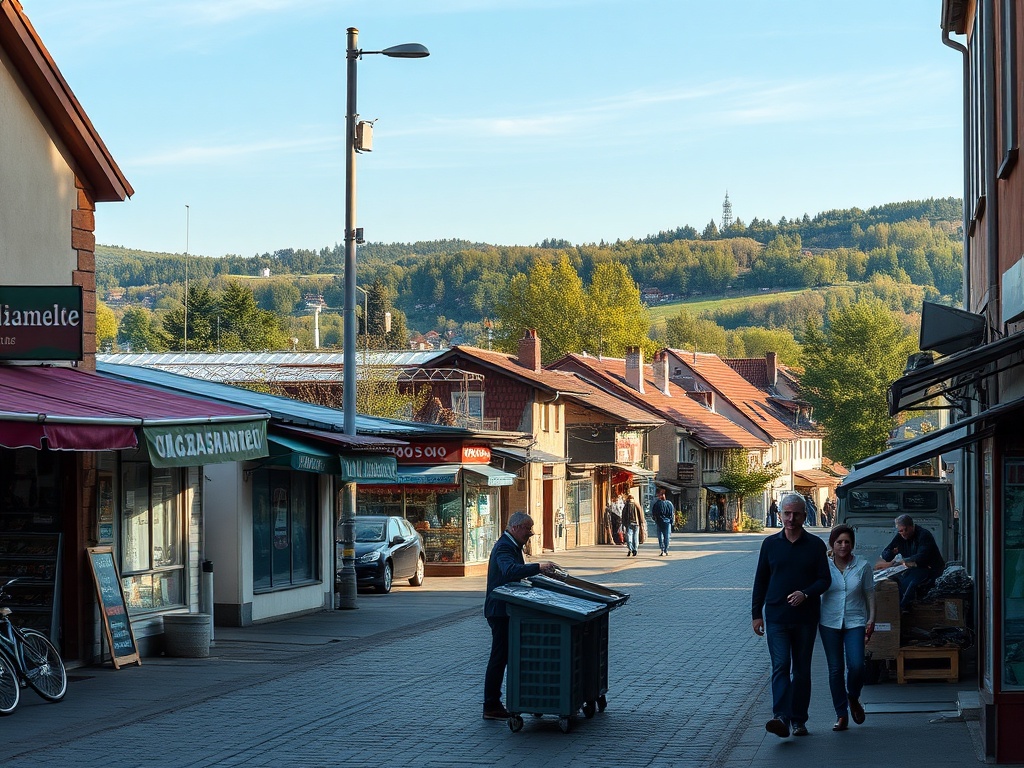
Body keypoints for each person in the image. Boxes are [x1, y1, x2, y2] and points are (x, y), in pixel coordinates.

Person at [751, 492, 831, 738]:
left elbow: (824, 580)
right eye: (787, 513)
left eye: (796, 514)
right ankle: (781, 717)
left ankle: (799, 720)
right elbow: (761, 580)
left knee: (802, 670)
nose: (791, 518)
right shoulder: (770, 544)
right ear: (780, 514)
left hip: (805, 619)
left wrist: (805, 594)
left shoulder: (815, 545)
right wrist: (756, 614)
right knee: (781, 666)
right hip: (776, 616)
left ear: (804, 516)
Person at [483, 512, 558, 720]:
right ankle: (491, 704)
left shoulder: (512, 545)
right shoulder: (505, 546)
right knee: (499, 658)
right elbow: (509, 571)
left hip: (507, 609)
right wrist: (538, 568)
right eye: (527, 528)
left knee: (504, 656)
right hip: (500, 610)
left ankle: (499, 702)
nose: (531, 533)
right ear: (515, 527)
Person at [820, 524, 876, 732]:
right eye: (839, 542)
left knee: (856, 665)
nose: (843, 546)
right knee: (835, 670)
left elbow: (870, 594)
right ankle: (841, 714)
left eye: (847, 542)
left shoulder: (863, 566)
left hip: (855, 621)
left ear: (852, 544)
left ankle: (853, 697)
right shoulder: (824, 566)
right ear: (832, 545)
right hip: (829, 622)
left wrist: (872, 620)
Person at [874, 514, 946, 612]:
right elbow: (886, 554)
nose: (903, 533)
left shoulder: (924, 535)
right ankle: (895, 608)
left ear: (911, 526)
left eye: (905, 530)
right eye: (900, 531)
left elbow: (922, 556)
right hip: (912, 569)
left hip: (929, 569)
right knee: (894, 580)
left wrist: (904, 561)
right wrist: (892, 552)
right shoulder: (900, 536)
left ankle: (903, 608)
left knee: (912, 584)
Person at [651, 488, 675, 556]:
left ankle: (662, 549)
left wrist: (655, 520)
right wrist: (672, 522)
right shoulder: (669, 504)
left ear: (660, 496)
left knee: (660, 537)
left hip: (659, 522)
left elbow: (653, 514)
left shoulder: (657, 504)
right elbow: (672, 514)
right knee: (667, 536)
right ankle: (666, 550)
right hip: (667, 523)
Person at [622, 492, 643, 556]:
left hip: (629, 523)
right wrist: (641, 522)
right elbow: (641, 514)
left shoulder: (626, 505)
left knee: (629, 537)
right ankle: (635, 549)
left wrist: (623, 524)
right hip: (636, 524)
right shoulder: (637, 504)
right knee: (635, 537)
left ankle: (631, 549)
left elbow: (623, 515)